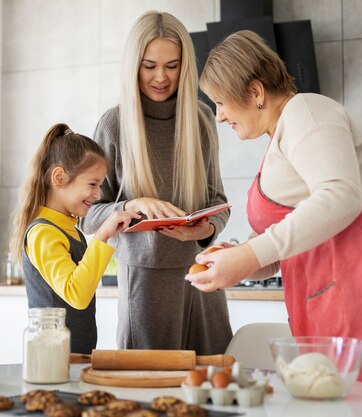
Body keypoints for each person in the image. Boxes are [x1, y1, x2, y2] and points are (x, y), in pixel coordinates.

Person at [189, 29, 362, 412]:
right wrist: (239, 258)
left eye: (221, 103)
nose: (218, 116)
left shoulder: (306, 112)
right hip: (344, 288)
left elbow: (340, 195)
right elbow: (294, 231)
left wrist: (252, 254)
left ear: (255, 93)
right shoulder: (284, 131)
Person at [80, 11, 232, 355]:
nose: (161, 77)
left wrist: (204, 231)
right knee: (149, 397)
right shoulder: (114, 124)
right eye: (149, 65)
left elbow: (218, 199)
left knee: (211, 392)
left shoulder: (202, 118)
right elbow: (87, 215)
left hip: (202, 274)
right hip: (144, 285)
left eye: (172, 65)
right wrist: (130, 206)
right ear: (134, 65)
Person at [9, 123, 139, 354]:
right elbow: (76, 295)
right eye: (92, 184)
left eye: (100, 185)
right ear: (59, 177)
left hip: (74, 355)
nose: (98, 195)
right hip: (52, 358)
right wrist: (103, 234)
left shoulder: (69, 229)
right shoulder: (43, 233)